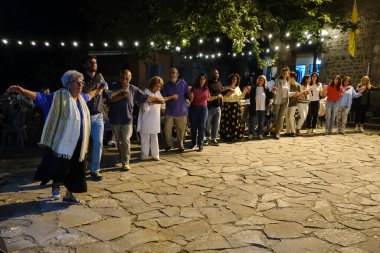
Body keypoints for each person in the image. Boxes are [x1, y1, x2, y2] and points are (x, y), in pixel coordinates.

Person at [7, 70, 105, 203]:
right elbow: (39, 97)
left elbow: (90, 95)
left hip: (79, 141)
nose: (81, 85)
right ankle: (56, 184)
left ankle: (69, 195)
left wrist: (99, 89)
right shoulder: (57, 98)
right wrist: (21, 90)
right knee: (61, 167)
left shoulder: (81, 98)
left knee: (77, 169)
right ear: (69, 84)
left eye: (82, 82)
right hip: (62, 142)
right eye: (78, 82)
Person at [108, 69, 163, 170]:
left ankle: (126, 161)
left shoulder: (134, 89)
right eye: (123, 78)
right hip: (115, 119)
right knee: (119, 142)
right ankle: (122, 156)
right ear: (120, 78)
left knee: (125, 139)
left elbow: (146, 97)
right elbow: (109, 98)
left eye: (127, 78)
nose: (124, 80)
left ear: (130, 78)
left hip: (128, 119)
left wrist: (159, 100)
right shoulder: (114, 86)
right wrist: (122, 92)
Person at [81, 56, 114, 180]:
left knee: (99, 143)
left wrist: (122, 90)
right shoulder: (81, 78)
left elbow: (108, 95)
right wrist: (96, 82)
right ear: (85, 65)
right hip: (85, 115)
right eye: (91, 62)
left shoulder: (101, 78)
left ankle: (95, 170)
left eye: (95, 62)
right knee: (84, 144)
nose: (94, 64)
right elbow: (84, 93)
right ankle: (82, 167)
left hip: (99, 116)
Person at [161, 68, 192, 153]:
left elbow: (188, 94)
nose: (172, 74)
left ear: (177, 74)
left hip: (182, 111)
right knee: (167, 130)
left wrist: (190, 96)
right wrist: (171, 97)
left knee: (181, 131)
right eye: (170, 73)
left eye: (174, 73)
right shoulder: (166, 85)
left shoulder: (183, 83)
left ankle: (180, 145)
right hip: (169, 112)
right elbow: (163, 98)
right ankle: (169, 145)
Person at [137, 76, 165, 161]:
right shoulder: (146, 91)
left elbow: (162, 102)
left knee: (154, 137)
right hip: (146, 118)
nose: (158, 88)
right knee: (145, 137)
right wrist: (156, 101)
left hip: (155, 119)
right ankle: (144, 155)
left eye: (159, 86)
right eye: (157, 86)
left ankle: (155, 155)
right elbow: (145, 105)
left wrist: (162, 106)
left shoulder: (158, 92)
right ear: (152, 84)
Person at [219, 73, 250, 142]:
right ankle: (227, 137)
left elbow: (240, 97)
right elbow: (224, 98)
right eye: (233, 79)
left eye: (236, 79)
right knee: (227, 121)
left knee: (236, 122)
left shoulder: (237, 88)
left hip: (235, 106)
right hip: (227, 106)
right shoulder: (226, 87)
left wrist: (245, 92)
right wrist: (230, 92)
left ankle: (235, 136)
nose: (234, 80)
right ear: (230, 79)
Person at [272, 67, 298, 139]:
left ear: (288, 74)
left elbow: (288, 93)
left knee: (281, 117)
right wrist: (274, 90)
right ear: (281, 73)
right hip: (277, 101)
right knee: (276, 117)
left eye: (286, 73)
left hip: (285, 101)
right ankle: (275, 130)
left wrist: (293, 93)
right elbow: (274, 90)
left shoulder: (288, 83)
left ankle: (277, 133)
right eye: (283, 73)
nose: (284, 74)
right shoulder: (277, 81)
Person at [189, 73, 210, 151]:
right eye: (200, 79)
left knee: (201, 126)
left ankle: (200, 144)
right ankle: (193, 143)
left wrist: (218, 96)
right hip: (194, 108)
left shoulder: (207, 89)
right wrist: (191, 97)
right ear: (198, 79)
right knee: (193, 127)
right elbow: (190, 98)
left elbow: (208, 98)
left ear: (205, 80)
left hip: (203, 109)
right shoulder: (194, 88)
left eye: (203, 79)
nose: (202, 80)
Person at [247, 75, 273, 140]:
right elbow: (249, 97)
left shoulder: (266, 88)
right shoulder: (253, 88)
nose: (260, 81)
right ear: (257, 80)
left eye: (262, 80)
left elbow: (270, 97)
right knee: (252, 121)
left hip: (263, 108)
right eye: (259, 80)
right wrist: (247, 92)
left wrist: (272, 92)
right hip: (254, 107)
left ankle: (260, 133)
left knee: (261, 122)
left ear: (264, 81)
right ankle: (251, 133)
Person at [205, 68, 223, 146]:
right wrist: (216, 96)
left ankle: (213, 139)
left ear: (218, 75)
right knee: (207, 124)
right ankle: (206, 138)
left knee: (216, 124)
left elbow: (221, 93)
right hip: (210, 107)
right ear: (211, 74)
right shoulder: (208, 83)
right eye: (214, 73)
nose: (215, 74)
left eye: (217, 73)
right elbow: (207, 95)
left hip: (218, 107)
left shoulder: (219, 83)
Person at [285, 71, 300, 137]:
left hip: (294, 103)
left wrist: (299, 94)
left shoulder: (298, 85)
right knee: (287, 118)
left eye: (289, 77)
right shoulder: (287, 84)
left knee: (291, 117)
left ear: (293, 77)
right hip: (287, 103)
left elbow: (299, 94)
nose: (288, 78)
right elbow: (286, 94)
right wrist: (294, 93)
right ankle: (288, 131)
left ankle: (293, 131)